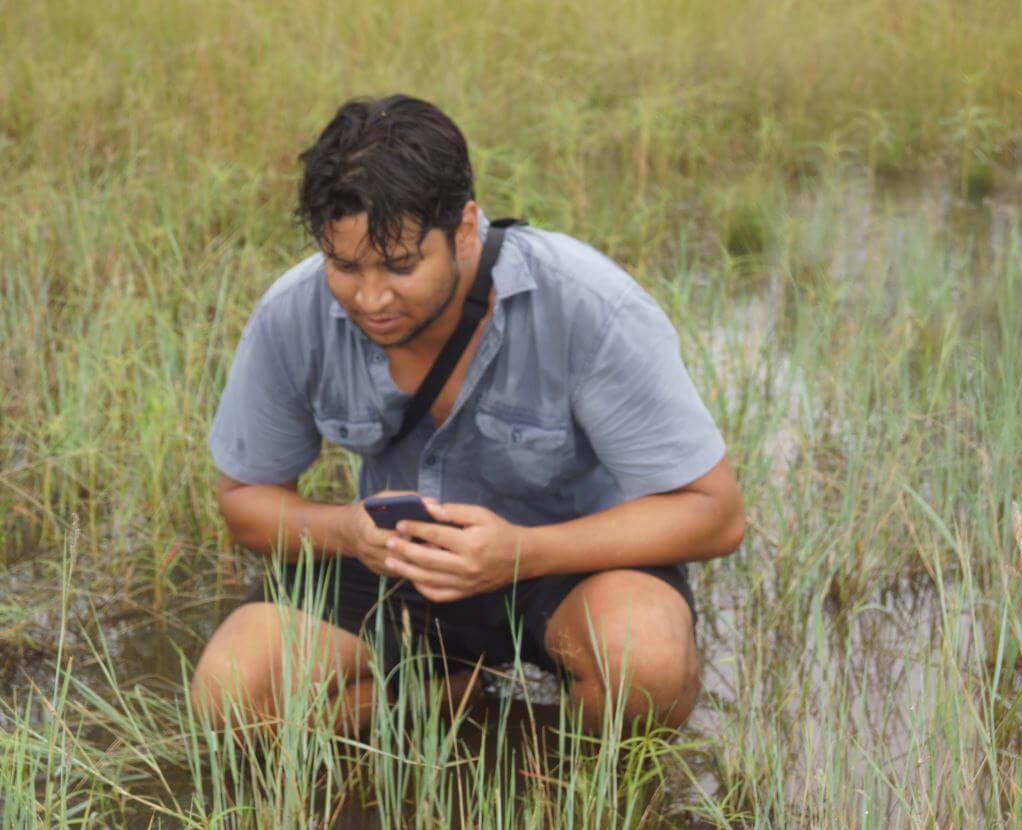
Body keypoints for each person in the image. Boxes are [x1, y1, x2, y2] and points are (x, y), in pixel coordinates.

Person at [191, 94, 745, 735]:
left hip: (570, 564)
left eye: (401, 266)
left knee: (644, 666)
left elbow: (716, 513)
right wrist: (348, 531)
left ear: (464, 229)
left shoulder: (590, 305)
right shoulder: (293, 313)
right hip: (396, 566)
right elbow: (244, 502)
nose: (370, 299)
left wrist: (521, 553)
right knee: (230, 699)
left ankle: (568, 775)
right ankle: (457, 698)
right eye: (344, 266)